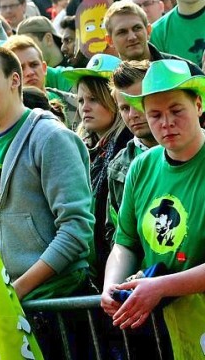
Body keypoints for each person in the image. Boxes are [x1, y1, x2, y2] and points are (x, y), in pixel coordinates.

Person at [0, 47, 93, 348]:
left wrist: (16, 290)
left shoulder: (51, 137)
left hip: (60, 305)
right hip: (11, 310)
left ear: (14, 80)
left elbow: (76, 231)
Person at [101, 60, 205, 357]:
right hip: (164, 332)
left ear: (198, 105)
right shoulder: (141, 166)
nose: (166, 123)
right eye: (155, 115)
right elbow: (125, 242)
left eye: (176, 111)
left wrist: (162, 286)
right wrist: (111, 286)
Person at [65, 54, 130, 281]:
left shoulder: (129, 147)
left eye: (93, 99)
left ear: (113, 99)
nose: (85, 108)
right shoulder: (82, 149)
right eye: (81, 101)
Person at [107, 60, 157, 235]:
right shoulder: (117, 166)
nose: (133, 115)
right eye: (125, 108)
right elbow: (114, 230)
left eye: (139, 104)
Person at [104, 0, 203, 74]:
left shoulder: (182, 70)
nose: (132, 37)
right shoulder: (106, 83)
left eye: (137, 28)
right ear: (110, 41)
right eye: (122, 32)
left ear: (148, 31)